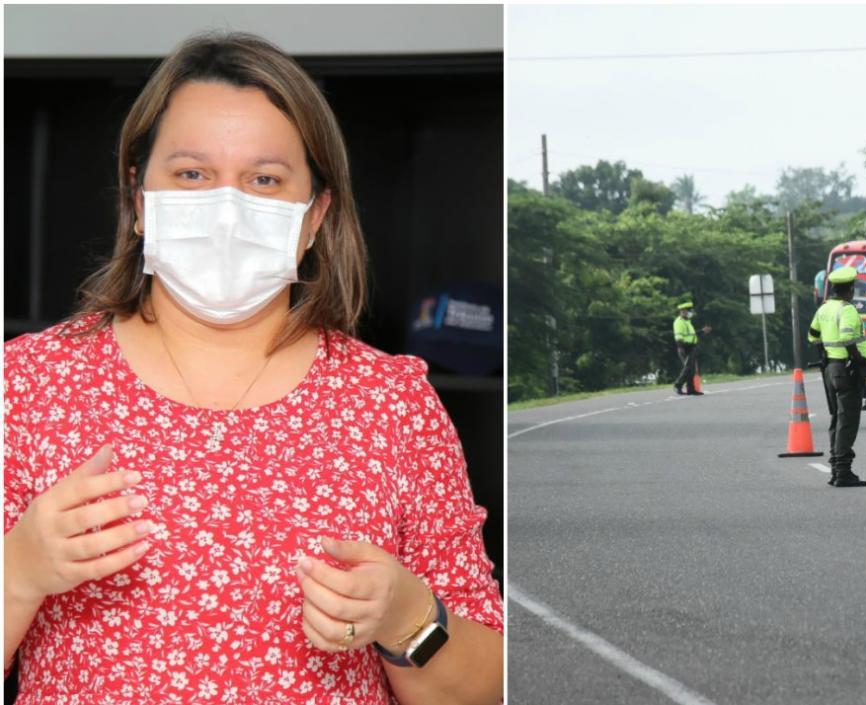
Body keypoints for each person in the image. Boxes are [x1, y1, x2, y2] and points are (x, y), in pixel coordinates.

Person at [3, 32, 503, 705]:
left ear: (315, 215)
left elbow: (485, 687)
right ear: (140, 196)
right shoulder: (29, 386)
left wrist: (408, 617)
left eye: (265, 180)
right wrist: (19, 573)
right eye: (191, 174)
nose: (228, 210)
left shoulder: (391, 403)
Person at [808, 267, 866, 488]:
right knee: (848, 420)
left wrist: (825, 352)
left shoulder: (824, 309)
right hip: (847, 369)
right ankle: (843, 471)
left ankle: (836, 469)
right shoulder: (847, 310)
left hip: (830, 369)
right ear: (850, 288)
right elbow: (846, 338)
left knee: (837, 418)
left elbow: (812, 335)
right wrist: (860, 361)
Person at [672, 302, 710, 396]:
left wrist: (702, 331)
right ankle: (678, 385)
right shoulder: (679, 322)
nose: (691, 313)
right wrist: (681, 348)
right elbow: (679, 336)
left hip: (691, 347)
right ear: (683, 311)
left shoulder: (687, 322)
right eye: (690, 311)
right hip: (684, 347)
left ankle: (691, 389)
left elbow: (692, 334)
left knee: (691, 369)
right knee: (688, 367)